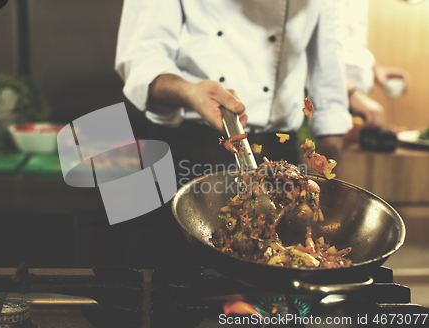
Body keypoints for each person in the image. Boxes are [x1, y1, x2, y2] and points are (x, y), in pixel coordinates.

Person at [115, 1, 352, 267]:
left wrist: (332, 180)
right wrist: (190, 91)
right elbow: (142, 59)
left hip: (280, 157)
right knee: (161, 273)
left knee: (276, 279)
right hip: (181, 146)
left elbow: (328, 78)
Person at [342, 0, 411, 129]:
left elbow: (349, 45)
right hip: (318, 106)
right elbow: (308, 52)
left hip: (353, 108)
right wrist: (349, 93)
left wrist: (374, 68)